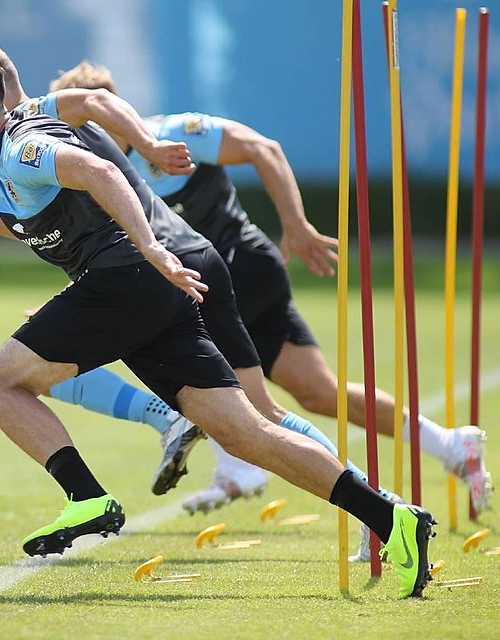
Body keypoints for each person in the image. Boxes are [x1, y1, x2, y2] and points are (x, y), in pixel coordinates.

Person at [0, 56, 435, 598]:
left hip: (130, 276)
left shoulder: (22, 145)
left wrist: (153, 246)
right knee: (246, 430)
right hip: (147, 284)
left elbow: (97, 168)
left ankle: (86, 498)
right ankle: (390, 515)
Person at [0, 42, 404, 563]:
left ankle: (375, 505)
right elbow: (54, 215)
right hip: (168, 268)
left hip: (177, 266)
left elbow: (97, 114)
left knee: (262, 417)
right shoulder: (11, 144)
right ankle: (372, 508)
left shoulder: (42, 119)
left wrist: (151, 145)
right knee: (253, 422)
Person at [37, 60, 490, 518]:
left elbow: (263, 148)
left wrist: (295, 225)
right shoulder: (85, 170)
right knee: (316, 393)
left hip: (237, 267)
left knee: (246, 406)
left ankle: (368, 506)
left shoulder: (177, 133)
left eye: (75, 124)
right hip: (199, 282)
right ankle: (450, 444)